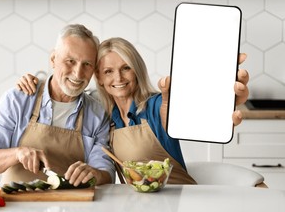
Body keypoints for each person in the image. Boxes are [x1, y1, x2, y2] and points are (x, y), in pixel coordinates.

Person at [17, 37, 250, 184]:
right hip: (138, 210)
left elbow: (178, 110)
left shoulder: (156, 105)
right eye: (108, 71)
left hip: (182, 204)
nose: (118, 78)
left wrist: (216, 102)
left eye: (125, 68)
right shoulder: (101, 115)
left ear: (137, 70)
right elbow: (62, 87)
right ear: (98, 76)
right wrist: (34, 80)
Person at [0, 24, 116, 187]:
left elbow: (106, 172)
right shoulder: (18, 100)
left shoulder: (97, 114)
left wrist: (96, 174)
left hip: (73, 208)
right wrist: (17, 153)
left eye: (87, 64)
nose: (78, 73)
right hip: (16, 208)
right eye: (70, 61)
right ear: (53, 59)